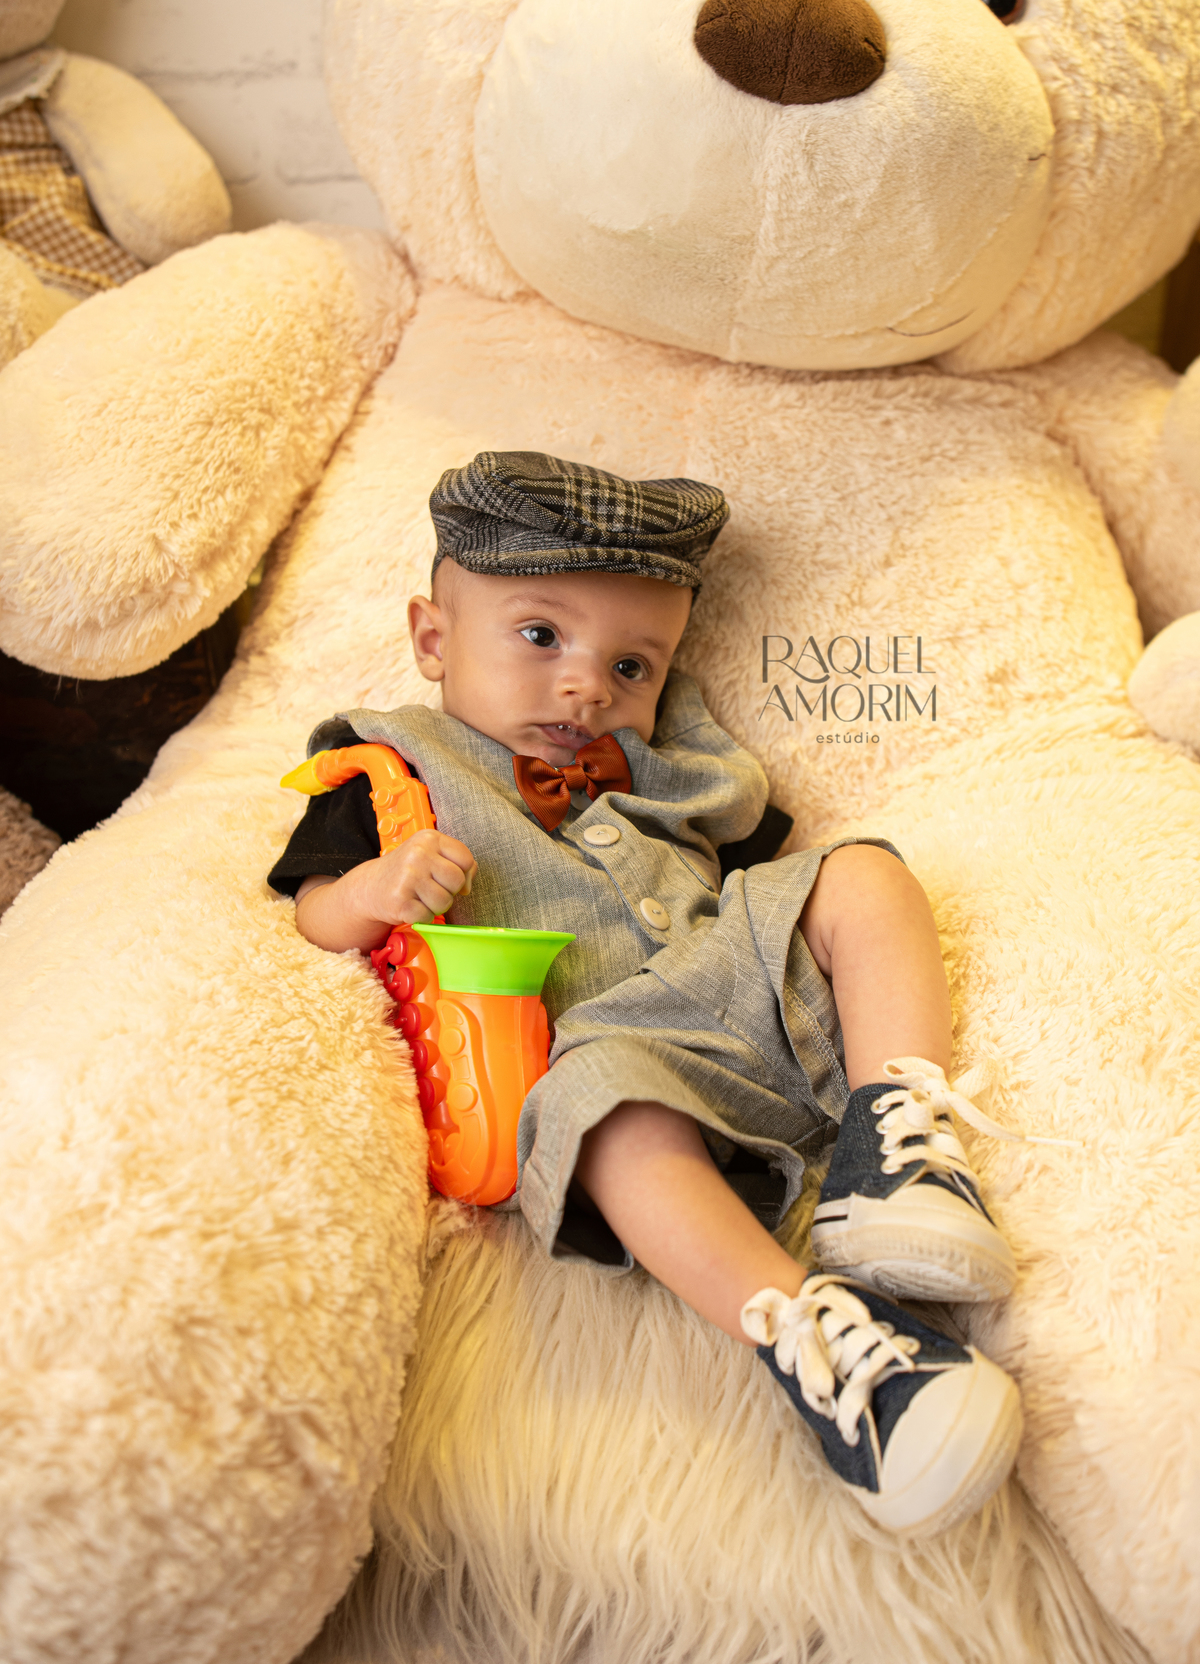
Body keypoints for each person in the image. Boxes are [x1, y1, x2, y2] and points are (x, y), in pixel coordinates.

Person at [270, 450, 1025, 1538]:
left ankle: (898, 1141)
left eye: (631, 664)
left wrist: (813, 917)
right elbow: (311, 913)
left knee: (866, 871)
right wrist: (375, 891)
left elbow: (771, 875)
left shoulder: (675, 756)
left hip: (742, 988)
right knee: (605, 1119)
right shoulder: (396, 760)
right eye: (542, 636)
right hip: (607, 1042)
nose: (588, 686)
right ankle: (826, 1345)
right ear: (433, 639)